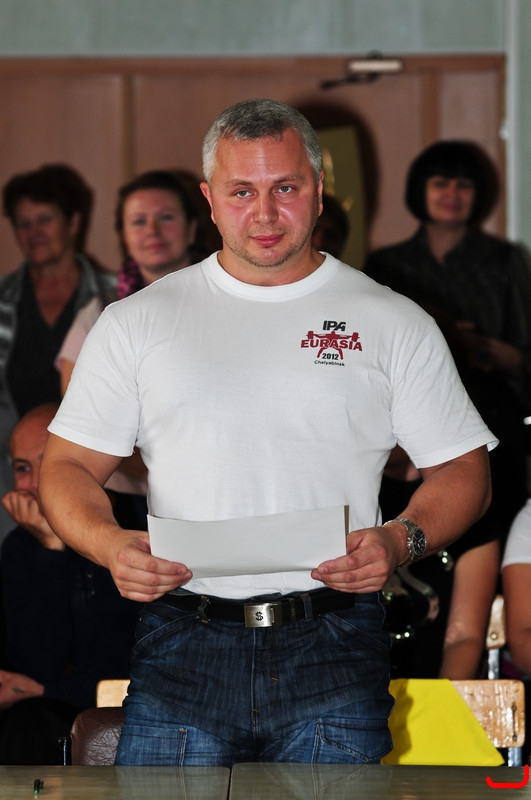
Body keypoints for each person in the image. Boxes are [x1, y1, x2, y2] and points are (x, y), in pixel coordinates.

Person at [39, 99, 495, 767]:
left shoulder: (392, 321)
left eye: (285, 188)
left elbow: (464, 471)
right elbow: (66, 466)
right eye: (241, 191)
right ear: (209, 200)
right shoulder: (137, 321)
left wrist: (401, 540)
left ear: (318, 190)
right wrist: (109, 544)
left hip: (336, 639)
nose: (264, 213)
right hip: (181, 638)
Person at [364, 141, 531, 556]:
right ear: (420, 189)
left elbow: (525, 352)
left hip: (491, 414)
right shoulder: (387, 264)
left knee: (494, 532)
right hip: (408, 422)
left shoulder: (503, 260)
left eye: (464, 185)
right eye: (441, 183)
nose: (452, 195)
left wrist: (480, 349)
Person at [0, 403, 138, 764]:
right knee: (25, 725)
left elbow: (129, 662)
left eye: (47, 463)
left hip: (142, 702)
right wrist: (51, 546)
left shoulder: (140, 524)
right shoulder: (21, 546)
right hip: (58, 712)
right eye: (22, 468)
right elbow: (35, 664)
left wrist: (47, 688)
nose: (33, 483)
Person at [0, 164, 115, 544]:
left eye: (45, 219)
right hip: (12, 477)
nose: (33, 232)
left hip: (97, 473)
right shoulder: (3, 300)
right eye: (23, 223)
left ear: (74, 222)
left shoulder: (117, 298)